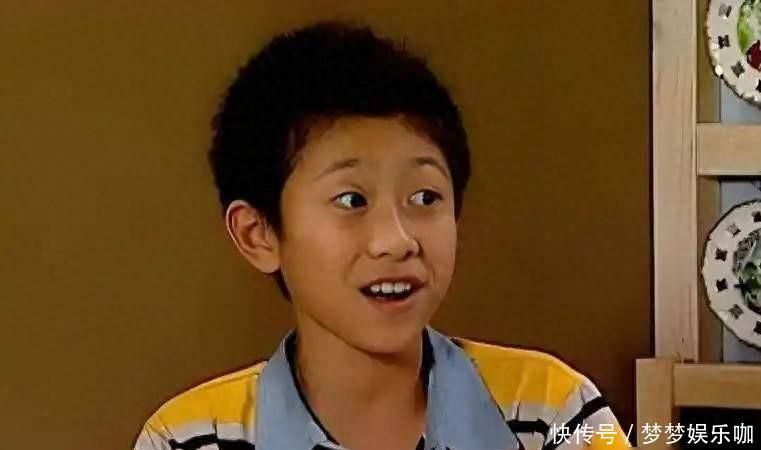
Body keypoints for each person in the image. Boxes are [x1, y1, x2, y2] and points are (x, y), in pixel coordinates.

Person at [132, 21, 631, 450]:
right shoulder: (189, 439)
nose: (397, 240)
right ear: (258, 234)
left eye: (425, 197)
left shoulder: (551, 412)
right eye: (352, 200)